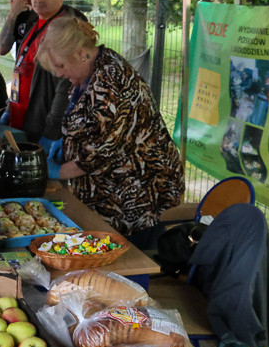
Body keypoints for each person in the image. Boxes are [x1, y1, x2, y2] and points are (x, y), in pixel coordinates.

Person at [37, 16, 184, 249]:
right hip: (112, 189)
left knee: (124, 265)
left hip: (136, 195)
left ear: (79, 53)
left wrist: (56, 171)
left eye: (61, 66)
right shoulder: (90, 68)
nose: (58, 74)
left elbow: (97, 156)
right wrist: (66, 142)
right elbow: (88, 122)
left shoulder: (110, 82)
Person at [5, 0, 86, 149]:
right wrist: (10, 107)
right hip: (20, 123)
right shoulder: (33, 20)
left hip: (41, 128)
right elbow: (18, 62)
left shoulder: (68, 26)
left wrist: (51, 132)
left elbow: (67, 86)